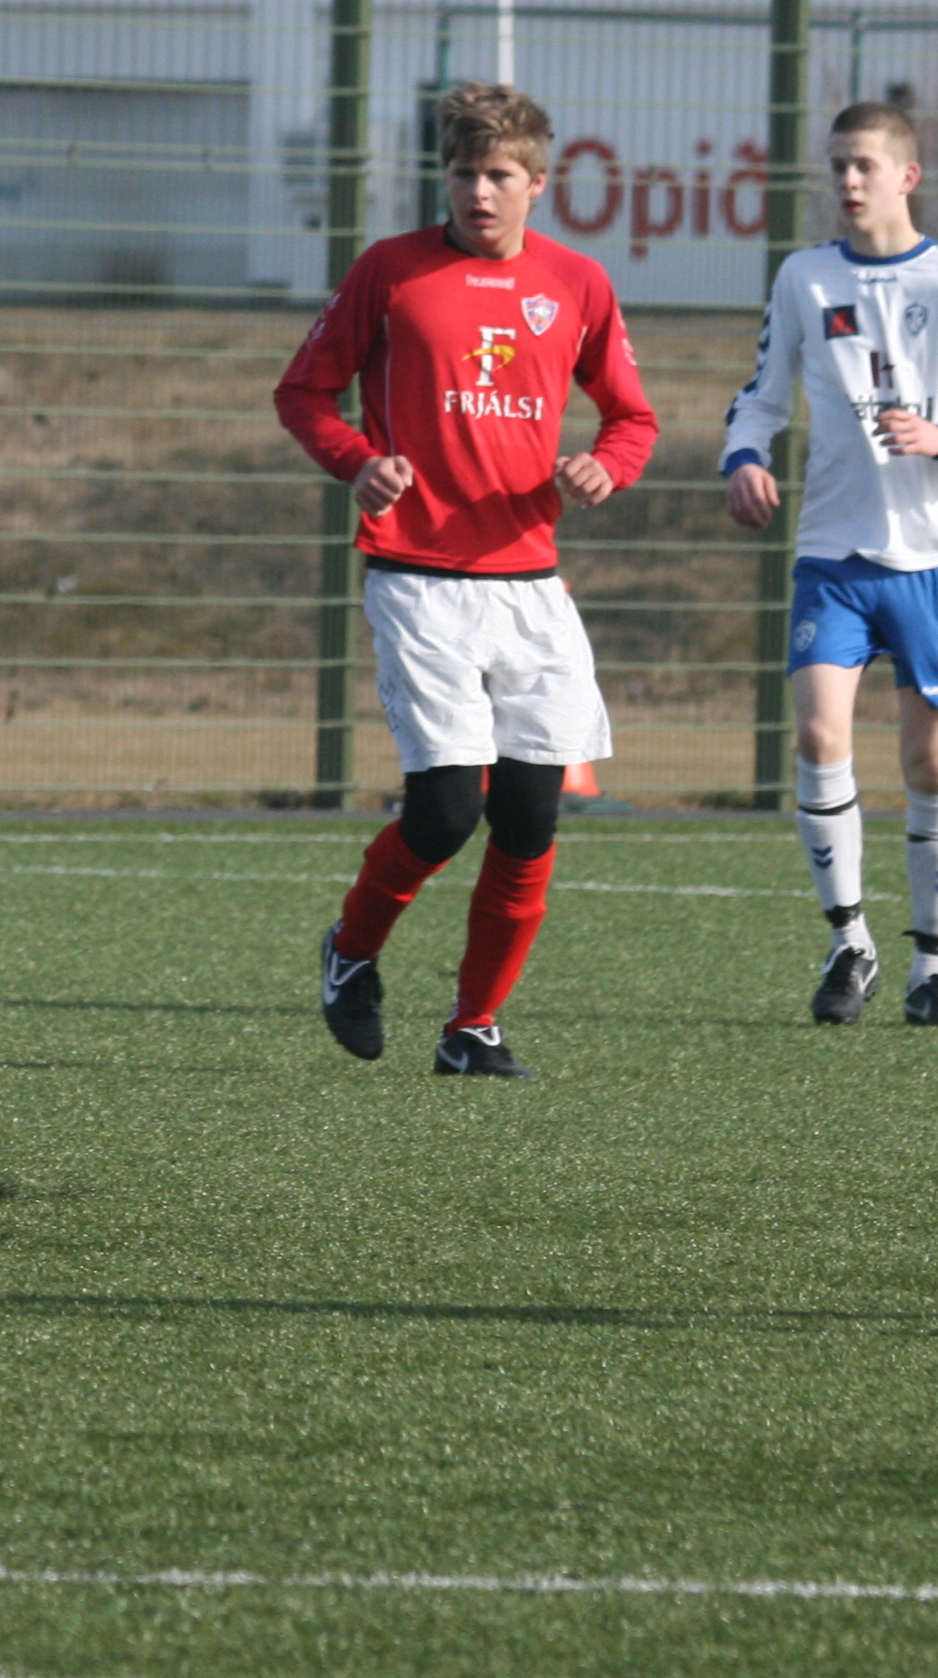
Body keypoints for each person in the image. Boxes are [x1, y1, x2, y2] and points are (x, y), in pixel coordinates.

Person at [274, 81, 660, 1077]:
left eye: (498, 176)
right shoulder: (391, 272)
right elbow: (304, 391)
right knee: (446, 811)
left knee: (530, 817)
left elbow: (632, 417)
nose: (478, 193)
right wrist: (358, 462)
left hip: (529, 583)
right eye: (462, 173)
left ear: (537, 183)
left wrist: (605, 468)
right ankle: (352, 950)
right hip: (417, 575)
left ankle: (472, 1028)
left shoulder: (576, 283)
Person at [719, 101, 938, 1029]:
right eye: (838, 166)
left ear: (908, 176)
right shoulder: (806, 278)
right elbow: (760, 395)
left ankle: (933, 968)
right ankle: (849, 942)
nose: (849, 182)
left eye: (865, 165)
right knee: (820, 736)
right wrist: (744, 457)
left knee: (930, 761)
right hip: (834, 556)